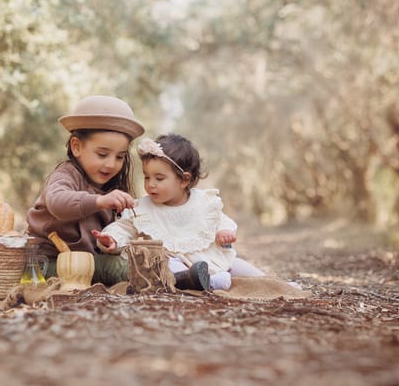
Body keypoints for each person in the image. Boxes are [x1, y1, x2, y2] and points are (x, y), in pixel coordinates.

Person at [92, 133, 265, 291]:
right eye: (146, 177)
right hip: (176, 263)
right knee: (167, 268)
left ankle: (275, 282)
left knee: (240, 266)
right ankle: (207, 282)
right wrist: (111, 239)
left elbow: (221, 220)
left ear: (184, 180)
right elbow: (124, 228)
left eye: (159, 178)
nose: (151, 184)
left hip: (211, 257)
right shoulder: (143, 208)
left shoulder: (203, 201)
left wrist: (225, 232)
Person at [26, 95, 144, 286]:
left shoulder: (111, 188)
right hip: (47, 265)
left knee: (126, 261)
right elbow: (57, 202)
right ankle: (174, 280)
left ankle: (181, 275)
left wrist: (111, 243)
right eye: (102, 154)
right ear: (76, 146)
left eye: (120, 157)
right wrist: (99, 201)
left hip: (86, 264)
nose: (111, 164)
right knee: (115, 268)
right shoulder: (66, 174)